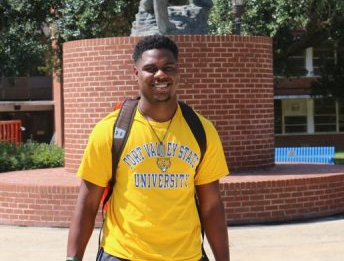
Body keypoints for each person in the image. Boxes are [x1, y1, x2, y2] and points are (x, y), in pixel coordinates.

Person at [67, 35, 230, 261]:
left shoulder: (201, 130)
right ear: (136, 73)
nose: (160, 75)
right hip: (123, 254)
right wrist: (72, 259)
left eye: (168, 67)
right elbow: (88, 202)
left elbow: (211, 205)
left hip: (186, 256)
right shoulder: (110, 130)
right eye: (150, 68)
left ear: (177, 72)